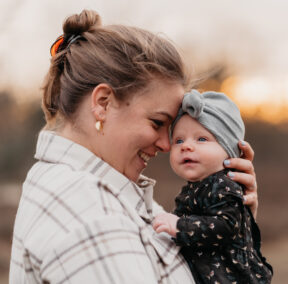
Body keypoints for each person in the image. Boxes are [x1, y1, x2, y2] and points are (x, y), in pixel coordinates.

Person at [9, 10, 260, 284]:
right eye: (157, 122)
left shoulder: (105, 191)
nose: (166, 145)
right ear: (103, 103)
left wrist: (234, 225)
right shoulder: (93, 218)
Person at [153, 90, 273, 284]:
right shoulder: (196, 188)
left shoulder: (223, 185)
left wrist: (178, 226)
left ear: (230, 152)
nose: (186, 146)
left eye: (201, 139)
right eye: (179, 140)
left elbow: (226, 225)